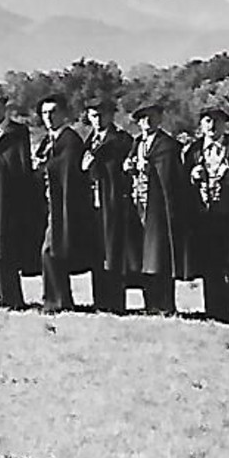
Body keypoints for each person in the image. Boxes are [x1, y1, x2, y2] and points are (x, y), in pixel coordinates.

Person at [185, 108, 229, 323]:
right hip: (205, 216)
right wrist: (192, 176)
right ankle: (216, 311)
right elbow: (181, 184)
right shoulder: (194, 150)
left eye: (217, 121)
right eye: (207, 121)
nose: (212, 126)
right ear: (201, 125)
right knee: (210, 264)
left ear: (225, 125)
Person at [125, 103, 196, 314]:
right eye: (142, 119)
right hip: (139, 204)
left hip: (159, 207)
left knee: (160, 256)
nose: (147, 122)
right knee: (143, 256)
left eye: (151, 117)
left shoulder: (168, 145)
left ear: (159, 119)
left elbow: (171, 179)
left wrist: (152, 171)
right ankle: (149, 303)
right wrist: (128, 167)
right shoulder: (137, 143)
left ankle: (165, 304)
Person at [0, 95, 39, 309]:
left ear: (4, 109)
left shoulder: (16, 132)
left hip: (9, 195)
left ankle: (12, 297)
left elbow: (22, 165)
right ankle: (1, 294)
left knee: (5, 247)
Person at [35, 94, 92, 313]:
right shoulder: (48, 139)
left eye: (52, 113)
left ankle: (55, 300)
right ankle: (59, 298)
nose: (48, 118)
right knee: (52, 251)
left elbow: (66, 170)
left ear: (63, 114)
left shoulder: (70, 139)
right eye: (44, 114)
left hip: (65, 205)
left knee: (50, 251)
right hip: (50, 203)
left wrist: (46, 165)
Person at [83, 99, 138, 314]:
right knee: (97, 252)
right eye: (93, 115)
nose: (97, 120)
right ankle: (100, 300)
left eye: (101, 115)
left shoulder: (122, 140)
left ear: (110, 116)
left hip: (114, 201)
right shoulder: (89, 141)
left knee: (114, 253)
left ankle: (115, 302)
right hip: (94, 202)